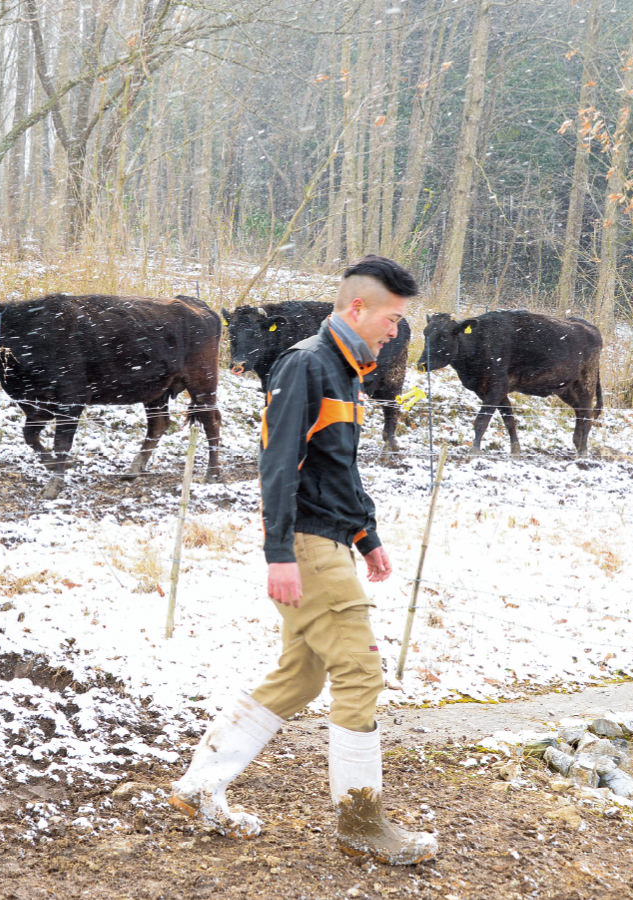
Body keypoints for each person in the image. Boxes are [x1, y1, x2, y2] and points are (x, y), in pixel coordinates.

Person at [169, 255, 436, 866]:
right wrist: (279, 553)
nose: (397, 331)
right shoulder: (307, 365)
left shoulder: (347, 374)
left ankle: (199, 786)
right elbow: (277, 464)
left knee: (302, 675)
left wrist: (366, 535)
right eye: (393, 318)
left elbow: (336, 467)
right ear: (357, 308)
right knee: (362, 675)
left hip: (331, 541)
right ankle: (362, 827)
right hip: (310, 548)